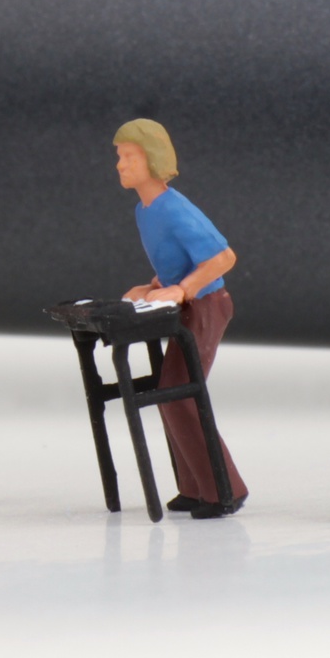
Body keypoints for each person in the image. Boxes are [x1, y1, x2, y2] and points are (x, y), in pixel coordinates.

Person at [113, 118, 249, 518]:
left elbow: (223, 257)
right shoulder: (144, 210)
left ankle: (226, 490)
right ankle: (195, 488)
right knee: (172, 394)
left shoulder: (173, 208)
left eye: (129, 156)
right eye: (119, 157)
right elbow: (176, 263)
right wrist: (153, 286)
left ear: (152, 159)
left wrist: (183, 290)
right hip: (188, 305)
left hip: (207, 306)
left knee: (179, 392)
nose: (120, 165)